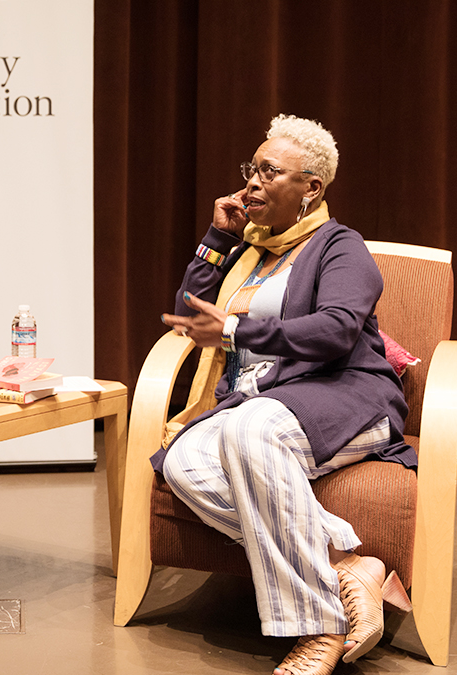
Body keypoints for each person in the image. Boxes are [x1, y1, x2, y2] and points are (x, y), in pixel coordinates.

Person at [158, 115, 413, 675]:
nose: (251, 182)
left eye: (268, 171)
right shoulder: (247, 249)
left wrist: (234, 330)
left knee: (252, 428)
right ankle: (347, 562)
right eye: (251, 169)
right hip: (259, 405)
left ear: (311, 188)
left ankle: (317, 628)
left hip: (343, 396)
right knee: (184, 463)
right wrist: (217, 238)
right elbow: (190, 315)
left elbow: (337, 329)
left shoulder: (341, 248)